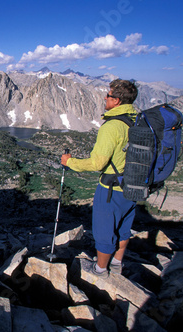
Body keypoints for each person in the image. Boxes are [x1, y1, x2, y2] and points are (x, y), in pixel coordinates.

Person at [61, 79, 138, 277]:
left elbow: (98, 163)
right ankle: (117, 263)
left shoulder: (112, 127)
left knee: (104, 231)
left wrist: (70, 162)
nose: (106, 98)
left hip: (111, 189)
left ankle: (100, 270)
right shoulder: (136, 120)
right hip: (134, 185)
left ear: (118, 100)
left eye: (110, 95)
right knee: (123, 227)